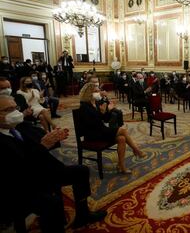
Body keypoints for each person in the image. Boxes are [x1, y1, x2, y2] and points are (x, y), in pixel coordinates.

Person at [0, 95, 107, 232]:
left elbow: (39, 138)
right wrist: (43, 145)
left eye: (15, 108)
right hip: (21, 184)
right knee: (52, 203)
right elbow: (19, 168)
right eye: (7, 110)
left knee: (81, 171)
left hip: (42, 169)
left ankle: (83, 215)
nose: (15, 113)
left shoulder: (19, 126)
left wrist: (55, 137)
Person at [79, 83, 145, 174]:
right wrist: (103, 112)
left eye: (98, 91)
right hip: (92, 134)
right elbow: (90, 123)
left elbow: (105, 119)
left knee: (122, 138)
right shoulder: (84, 106)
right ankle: (136, 150)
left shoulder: (96, 103)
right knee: (123, 130)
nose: (99, 93)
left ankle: (121, 165)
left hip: (101, 130)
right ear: (89, 93)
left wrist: (107, 110)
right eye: (96, 91)